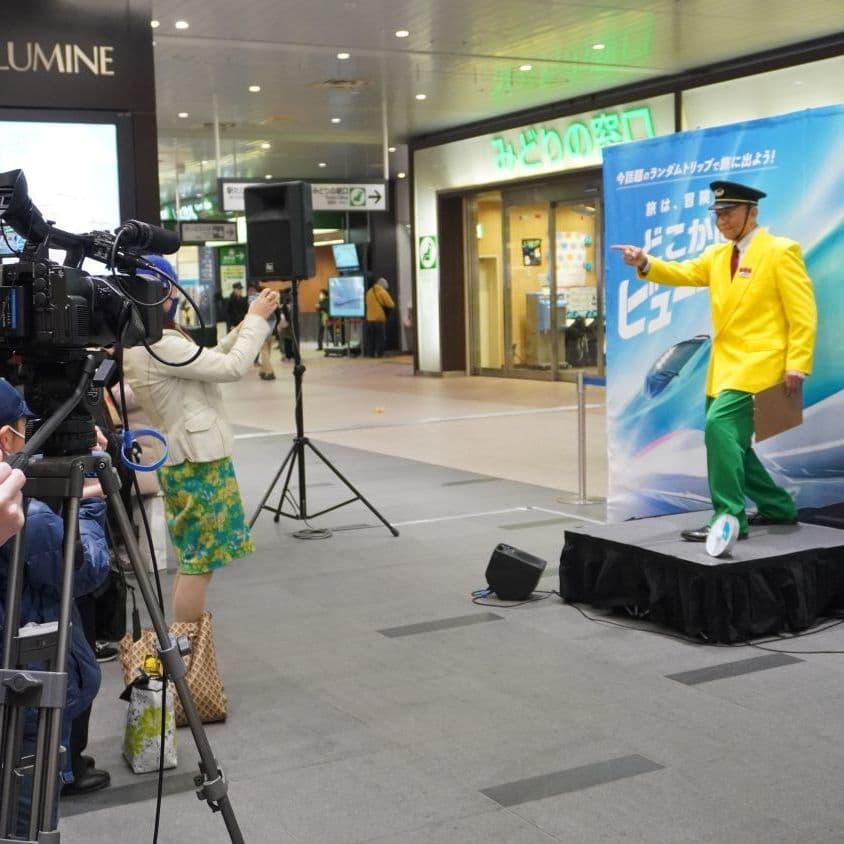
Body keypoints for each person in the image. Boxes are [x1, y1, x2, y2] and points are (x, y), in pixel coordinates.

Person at [613, 180, 817, 542]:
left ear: (752, 212)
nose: (722, 221)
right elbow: (683, 273)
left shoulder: (780, 251)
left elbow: (803, 312)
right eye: (718, 214)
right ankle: (778, 507)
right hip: (724, 367)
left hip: (761, 364)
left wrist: (797, 362)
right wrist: (645, 262)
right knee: (733, 444)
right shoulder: (717, 256)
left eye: (729, 213)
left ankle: (728, 517)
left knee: (718, 428)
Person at [122, 255, 280, 622]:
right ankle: (187, 648)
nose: (176, 295)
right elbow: (231, 367)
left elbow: (205, 361)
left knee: (194, 560)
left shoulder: (147, 340)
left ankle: (184, 647)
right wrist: (256, 321)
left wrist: (244, 327)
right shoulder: (159, 344)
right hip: (196, 462)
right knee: (199, 564)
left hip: (186, 458)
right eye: (170, 289)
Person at [0, 378, 111, 822]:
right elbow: (86, 569)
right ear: (6, 437)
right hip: (28, 692)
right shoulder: (31, 518)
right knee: (28, 817)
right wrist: (90, 501)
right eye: (24, 430)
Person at [365, 277, 394, 358]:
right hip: (379, 318)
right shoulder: (382, 292)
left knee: (371, 338)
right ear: (383, 286)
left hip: (370, 318)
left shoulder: (369, 292)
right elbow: (391, 304)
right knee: (380, 338)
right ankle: (379, 354)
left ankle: (370, 354)